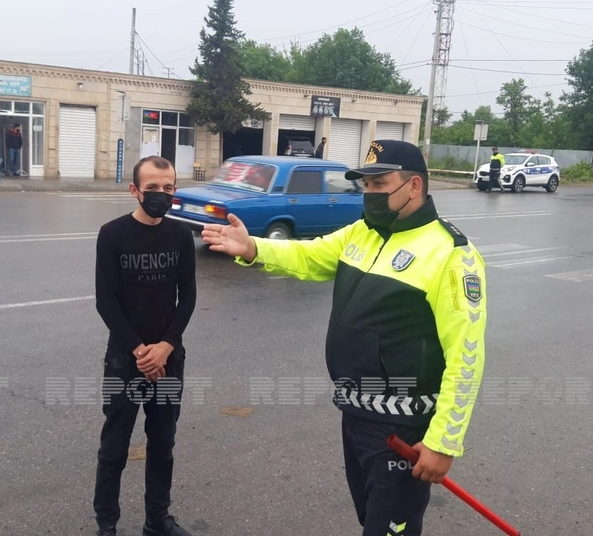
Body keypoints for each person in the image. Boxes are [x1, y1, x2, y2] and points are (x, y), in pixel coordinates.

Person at [201, 140, 487, 536]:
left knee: (391, 529)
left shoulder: (452, 254)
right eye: (365, 185)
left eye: (379, 184)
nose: (369, 194)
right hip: (356, 414)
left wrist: (444, 442)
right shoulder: (362, 232)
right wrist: (253, 248)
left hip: (403, 428)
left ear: (415, 186)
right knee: (371, 517)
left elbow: (466, 355)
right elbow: (310, 256)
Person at [93, 155, 197, 536]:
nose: (160, 195)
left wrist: (166, 348)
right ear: (134, 190)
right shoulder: (113, 234)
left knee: (163, 443)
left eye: (168, 188)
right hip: (125, 359)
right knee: (115, 446)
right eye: (152, 188)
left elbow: (186, 298)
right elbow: (107, 301)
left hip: (169, 359)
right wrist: (140, 351)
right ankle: (107, 523)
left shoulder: (180, 235)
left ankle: (158, 519)